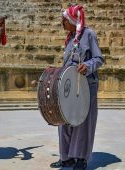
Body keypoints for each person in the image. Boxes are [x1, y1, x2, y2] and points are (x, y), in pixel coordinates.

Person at [50, 4, 104, 170]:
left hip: (86, 85)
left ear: (73, 20)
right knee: (64, 119)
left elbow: (99, 58)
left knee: (82, 123)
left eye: (64, 20)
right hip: (70, 86)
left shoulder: (89, 35)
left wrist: (87, 66)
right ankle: (66, 157)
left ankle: (80, 158)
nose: (62, 23)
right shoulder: (70, 38)